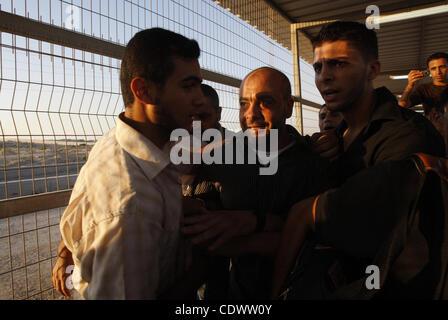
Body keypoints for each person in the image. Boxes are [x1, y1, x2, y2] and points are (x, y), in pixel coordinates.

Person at [271, 21, 448, 300]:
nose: (325, 77)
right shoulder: (338, 137)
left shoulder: (406, 136)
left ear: (372, 70)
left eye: (339, 64)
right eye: (319, 67)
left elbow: (315, 217)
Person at [57, 28, 210, 299]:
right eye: (188, 86)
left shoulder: (123, 140)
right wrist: (202, 266)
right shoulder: (129, 210)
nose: (200, 98)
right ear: (144, 91)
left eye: (198, 84)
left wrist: (174, 210)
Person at [182, 67, 332, 299]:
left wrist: (252, 227)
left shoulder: (316, 164)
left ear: (288, 106)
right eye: (244, 104)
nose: (251, 114)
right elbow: (202, 233)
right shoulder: (218, 160)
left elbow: (321, 242)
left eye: (265, 101)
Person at [398, 52, 448, 137]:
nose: (438, 72)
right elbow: (402, 106)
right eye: (433, 69)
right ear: (429, 71)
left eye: (442, 67)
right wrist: (410, 86)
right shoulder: (424, 89)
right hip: (433, 134)